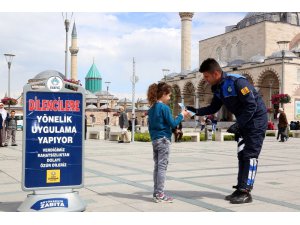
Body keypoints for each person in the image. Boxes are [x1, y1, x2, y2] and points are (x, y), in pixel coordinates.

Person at [186, 58, 268, 204]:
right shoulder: (218, 88)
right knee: (242, 155)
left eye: (206, 76)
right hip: (244, 121)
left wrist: (239, 123)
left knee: (250, 155)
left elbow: (251, 105)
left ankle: (246, 192)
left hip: (256, 121)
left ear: (216, 73)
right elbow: (213, 108)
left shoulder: (237, 82)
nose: (205, 80)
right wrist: (196, 111)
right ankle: (240, 188)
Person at [147, 82, 188, 203]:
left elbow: (150, 126)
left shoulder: (152, 108)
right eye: (169, 95)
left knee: (157, 167)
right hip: (164, 140)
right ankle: (160, 194)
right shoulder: (164, 108)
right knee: (162, 167)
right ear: (163, 94)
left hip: (155, 140)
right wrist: (181, 115)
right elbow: (173, 123)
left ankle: (156, 192)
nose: (170, 98)